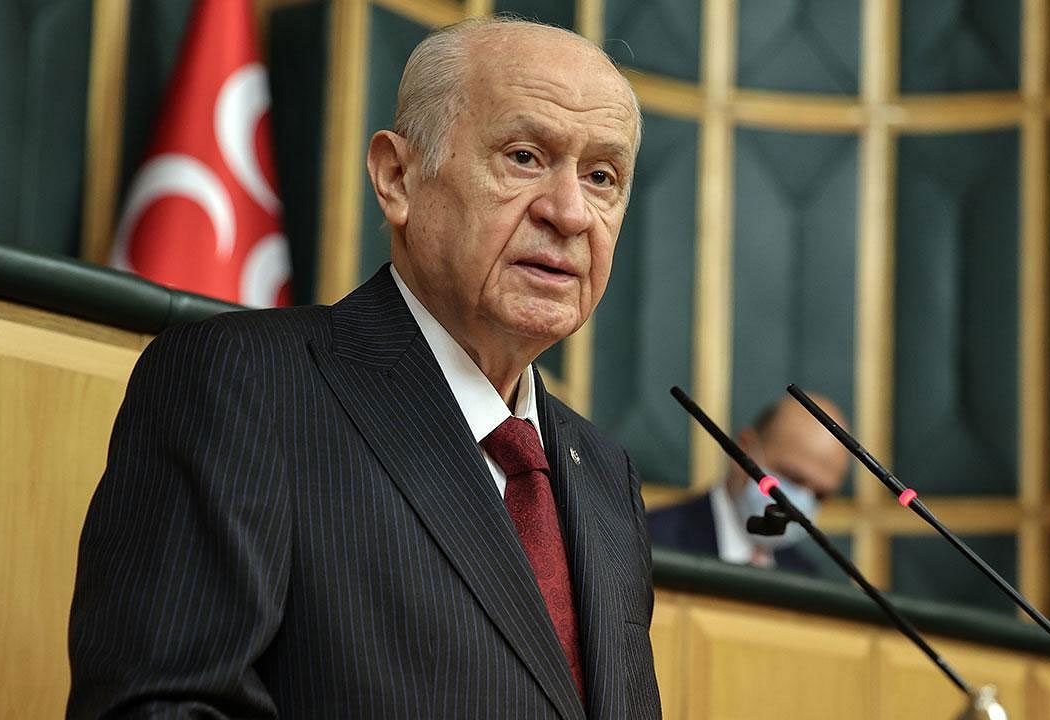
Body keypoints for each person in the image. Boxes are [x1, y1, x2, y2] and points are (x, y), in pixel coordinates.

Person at [68, 17, 660, 720]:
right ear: (397, 177)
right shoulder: (244, 386)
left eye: (601, 177)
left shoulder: (605, 476)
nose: (570, 213)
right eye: (525, 157)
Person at [647, 394, 851, 574]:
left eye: (820, 495)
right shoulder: (649, 543)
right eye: (793, 478)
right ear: (744, 449)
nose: (802, 501)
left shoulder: (806, 577)